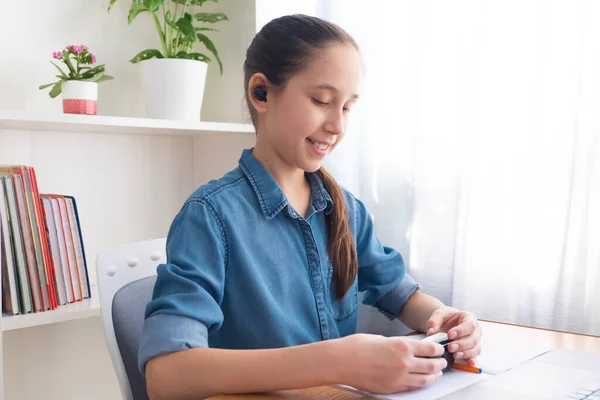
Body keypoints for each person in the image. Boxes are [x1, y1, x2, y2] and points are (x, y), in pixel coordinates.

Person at [138, 14, 482, 400]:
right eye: (322, 101)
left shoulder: (345, 210)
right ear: (262, 93)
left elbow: (400, 295)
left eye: (348, 107)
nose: (337, 125)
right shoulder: (210, 217)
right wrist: (337, 361)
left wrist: (445, 318)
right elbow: (166, 376)